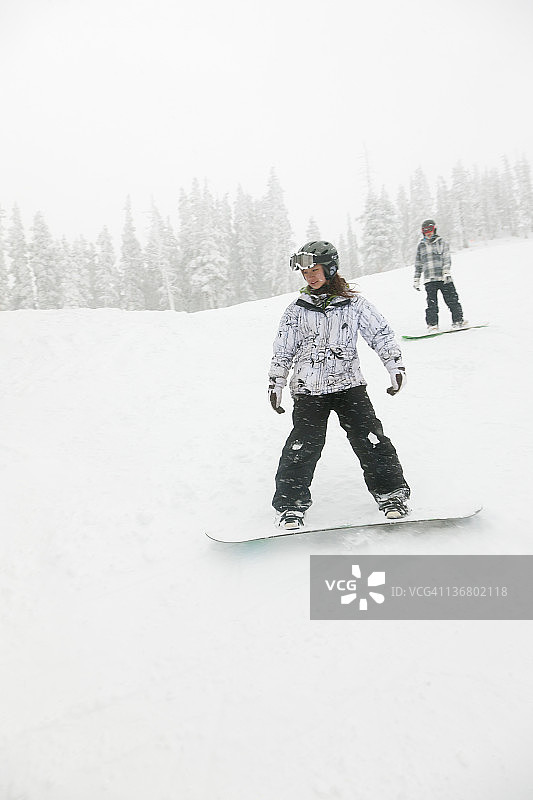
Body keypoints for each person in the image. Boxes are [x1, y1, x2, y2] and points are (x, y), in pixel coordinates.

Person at [268, 240, 410, 530]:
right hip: (309, 390)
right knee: (302, 446)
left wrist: (394, 365)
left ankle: (391, 494)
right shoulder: (296, 310)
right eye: (305, 272)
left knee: (371, 439)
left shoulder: (354, 304)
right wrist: (276, 383)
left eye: (315, 270)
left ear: (330, 268)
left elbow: (380, 334)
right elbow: (283, 350)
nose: (310, 276)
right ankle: (291, 507)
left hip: (349, 386)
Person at [413, 219, 466, 332]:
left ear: (434, 229)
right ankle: (432, 325)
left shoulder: (441, 242)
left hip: (444, 278)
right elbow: (418, 264)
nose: (428, 233)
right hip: (429, 280)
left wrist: (446, 271)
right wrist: (416, 278)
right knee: (431, 304)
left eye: (430, 230)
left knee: (452, 300)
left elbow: (446, 257)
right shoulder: (421, 246)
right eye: (426, 231)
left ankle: (458, 320)